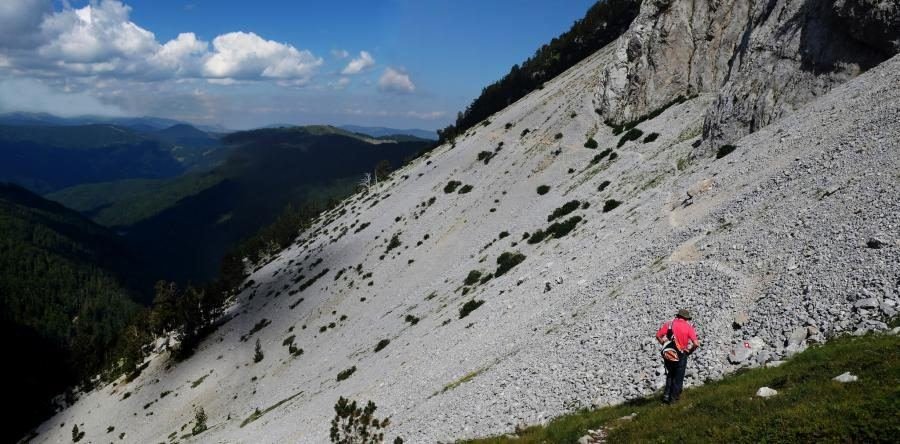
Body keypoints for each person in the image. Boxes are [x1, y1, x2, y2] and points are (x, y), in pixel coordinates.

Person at [655, 309, 700, 403]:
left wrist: (664, 343)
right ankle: (674, 398)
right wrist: (689, 351)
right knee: (678, 377)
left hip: (669, 353)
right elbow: (696, 344)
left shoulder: (669, 324)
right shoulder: (688, 327)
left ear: (678, 316)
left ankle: (666, 396)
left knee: (670, 374)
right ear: (686, 318)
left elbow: (658, 335)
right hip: (681, 353)